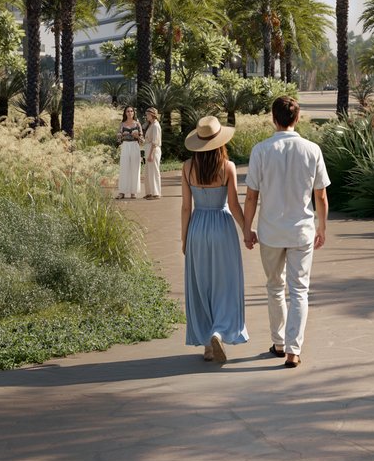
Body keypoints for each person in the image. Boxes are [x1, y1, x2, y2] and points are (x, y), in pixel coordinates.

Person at [242, 95, 331, 367]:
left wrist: (247, 228)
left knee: (275, 287)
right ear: (297, 117)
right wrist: (322, 227)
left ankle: (279, 342)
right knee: (299, 290)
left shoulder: (260, 150)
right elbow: (321, 196)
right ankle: (294, 349)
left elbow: (251, 197)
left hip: (270, 231)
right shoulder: (312, 149)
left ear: (273, 118)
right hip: (301, 231)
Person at [179, 117, 252, 363]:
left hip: (197, 228)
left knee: (201, 287)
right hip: (222, 227)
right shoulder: (228, 167)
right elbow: (233, 204)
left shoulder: (187, 167)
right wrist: (246, 231)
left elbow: (185, 208)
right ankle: (219, 331)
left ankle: (207, 346)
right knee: (225, 285)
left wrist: (184, 239)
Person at [116, 109, 146, 200]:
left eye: (131, 111)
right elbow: (118, 139)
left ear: (134, 113)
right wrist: (121, 137)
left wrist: (137, 136)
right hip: (125, 146)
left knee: (135, 168)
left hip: (135, 146)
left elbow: (142, 140)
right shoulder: (122, 124)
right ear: (125, 113)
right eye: (128, 111)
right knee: (124, 168)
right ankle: (122, 192)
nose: (130, 113)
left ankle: (133, 192)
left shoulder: (137, 124)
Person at [138, 113, 166, 199]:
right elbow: (147, 140)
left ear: (152, 115)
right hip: (148, 149)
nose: (146, 116)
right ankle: (149, 192)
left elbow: (155, 142)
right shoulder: (151, 125)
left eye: (147, 115)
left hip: (153, 150)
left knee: (154, 171)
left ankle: (156, 193)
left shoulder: (156, 126)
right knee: (148, 172)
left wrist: (150, 155)